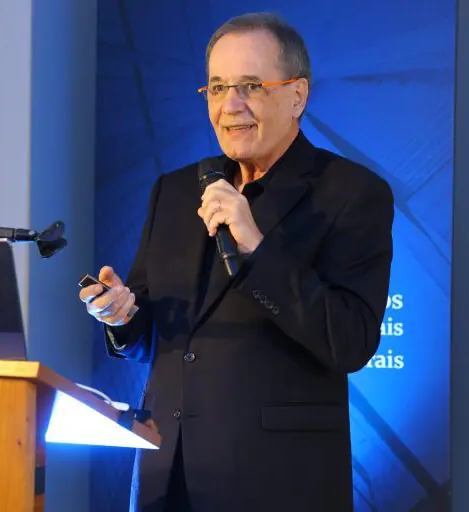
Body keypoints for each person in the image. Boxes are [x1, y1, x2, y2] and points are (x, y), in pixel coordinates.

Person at [79, 11, 394, 512]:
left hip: (280, 485)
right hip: (167, 477)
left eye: (251, 86)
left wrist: (257, 247)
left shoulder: (351, 194)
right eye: (218, 87)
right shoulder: (176, 191)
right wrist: (122, 316)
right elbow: (158, 337)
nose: (231, 106)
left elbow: (351, 341)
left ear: (297, 95)